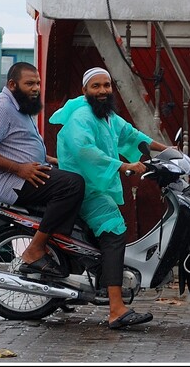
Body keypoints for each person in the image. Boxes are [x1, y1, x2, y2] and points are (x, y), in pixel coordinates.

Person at [49, 67, 166, 330]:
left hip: (97, 188)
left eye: (107, 85)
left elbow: (133, 136)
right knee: (114, 233)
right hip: (85, 190)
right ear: (85, 91)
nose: (103, 91)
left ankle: (102, 283)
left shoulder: (108, 117)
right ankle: (116, 309)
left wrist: (168, 150)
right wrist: (122, 166)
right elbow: (84, 151)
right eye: (96, 86)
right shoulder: (81, 117)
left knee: (108, 233)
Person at [0, 62, 85, 280]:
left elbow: (15, 144)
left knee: (76, 181)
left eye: (38, 83)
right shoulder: (1, 108)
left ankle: (60, 256)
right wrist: (18, 168)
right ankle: (35, 249)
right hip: (11, 181)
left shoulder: (19, 107)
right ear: (12, 84)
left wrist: (51, 160)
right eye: (29, 83)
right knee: (72, 185)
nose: (36, 88)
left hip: (26, 174)